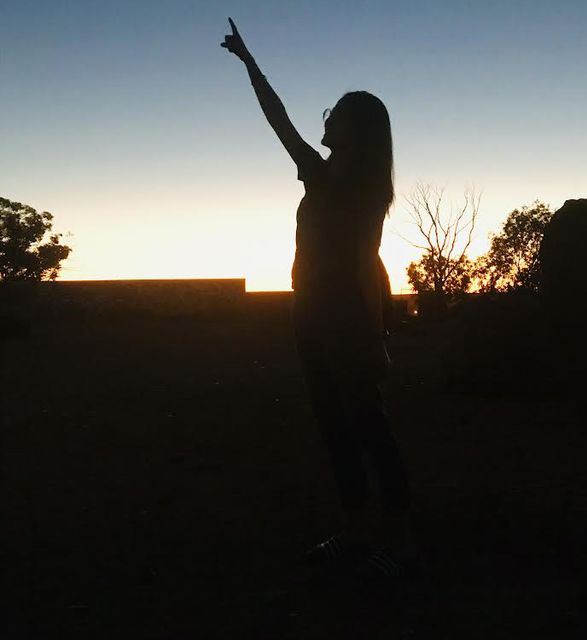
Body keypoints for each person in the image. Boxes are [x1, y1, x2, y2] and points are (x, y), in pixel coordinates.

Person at [221, 18, 418, 577]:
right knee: (335, 425)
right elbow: (278, 119)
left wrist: (375, 333)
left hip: (344, 318)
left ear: (357, 128)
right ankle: (355, 532)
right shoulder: (322, 173)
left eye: (337, 111)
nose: (327, 117)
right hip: (308, 311)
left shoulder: (354, 187)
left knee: (368, 426)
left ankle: (401, 545)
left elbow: (363, 263)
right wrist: (250, 63)